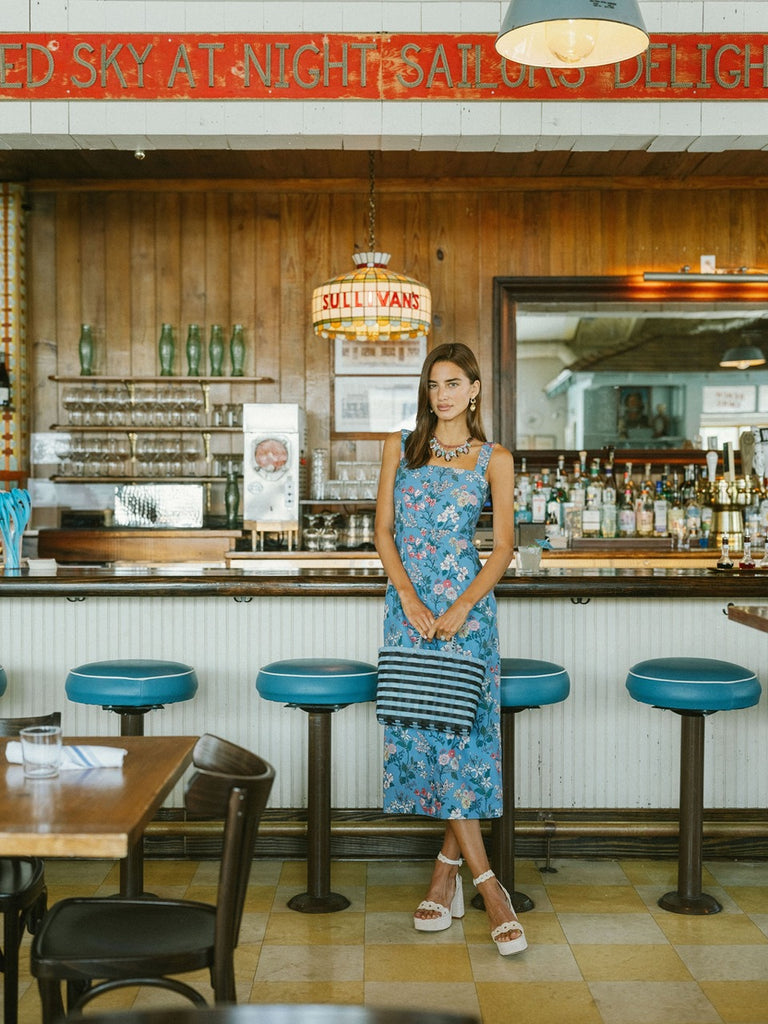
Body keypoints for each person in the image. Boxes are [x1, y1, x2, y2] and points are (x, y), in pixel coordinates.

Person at [374, 342, 525, 956]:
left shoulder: (495, 458)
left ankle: (456, 878)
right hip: (408, 613)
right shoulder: (399, 447)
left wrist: (462, 606)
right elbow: (383, 531)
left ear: (475, 389)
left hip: (468, 616)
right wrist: (408, 596)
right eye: (433, 383)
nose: (442, 394)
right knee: (429, 737)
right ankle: (485, 886)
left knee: (461, 741)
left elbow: (506, 544)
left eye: (453, 383)